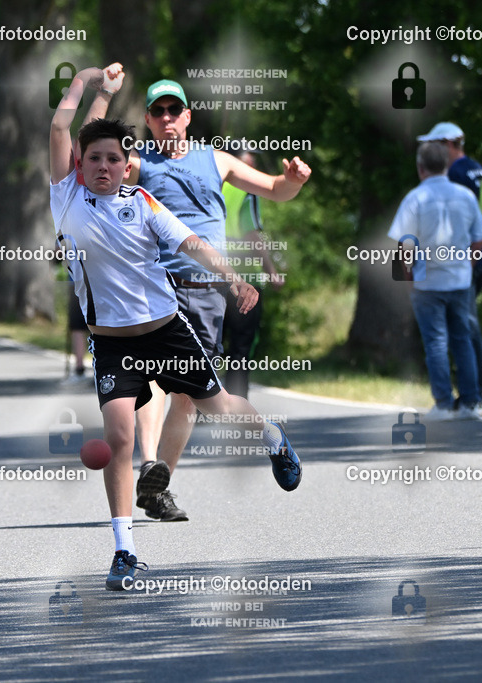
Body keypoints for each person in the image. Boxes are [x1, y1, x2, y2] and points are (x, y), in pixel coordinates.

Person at [50, 64, 302, 590]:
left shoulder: (142, 203)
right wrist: (93, 86)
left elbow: (193, 245)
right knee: (119, 438)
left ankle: (273, 437)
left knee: (220, 407)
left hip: (166, 329)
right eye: (92, 158)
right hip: (113, 345)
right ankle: (124, 551)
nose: (101, 166)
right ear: (81, 164)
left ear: (126, 167)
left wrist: (234, 281)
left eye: (112, 160)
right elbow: (62, 131)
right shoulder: (67, 197)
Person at [388, 142, 482, 421]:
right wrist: (469, 264)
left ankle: (443, 404)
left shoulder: (415, 198)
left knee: (435, 343)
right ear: (446, 165)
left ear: (420, 168)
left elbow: (403, 244)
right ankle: (470, 403)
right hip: (460, 279)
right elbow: (480, 235)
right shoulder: (466, 195)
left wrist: (407, 280)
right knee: (463, 341)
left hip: (427, 283)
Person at [417, 122, 482, 414]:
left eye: (434, 145)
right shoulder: (476, 169)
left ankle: (473, 397)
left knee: (465, 328)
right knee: (466, 327)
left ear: (450, 144)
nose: (428, 152)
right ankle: (473, 395)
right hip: (481, 256)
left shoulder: (458, 175)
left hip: (467, 261)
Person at [221, 148, 285, 398]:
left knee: (212, 340)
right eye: (250, 164)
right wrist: (271, 271)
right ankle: (236, 403)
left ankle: (204, 403)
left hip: (211, 273)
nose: (253, 171)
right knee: (241, 342)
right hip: (245, 275)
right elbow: (252, 234)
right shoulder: (247, 190)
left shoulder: (214, 186)